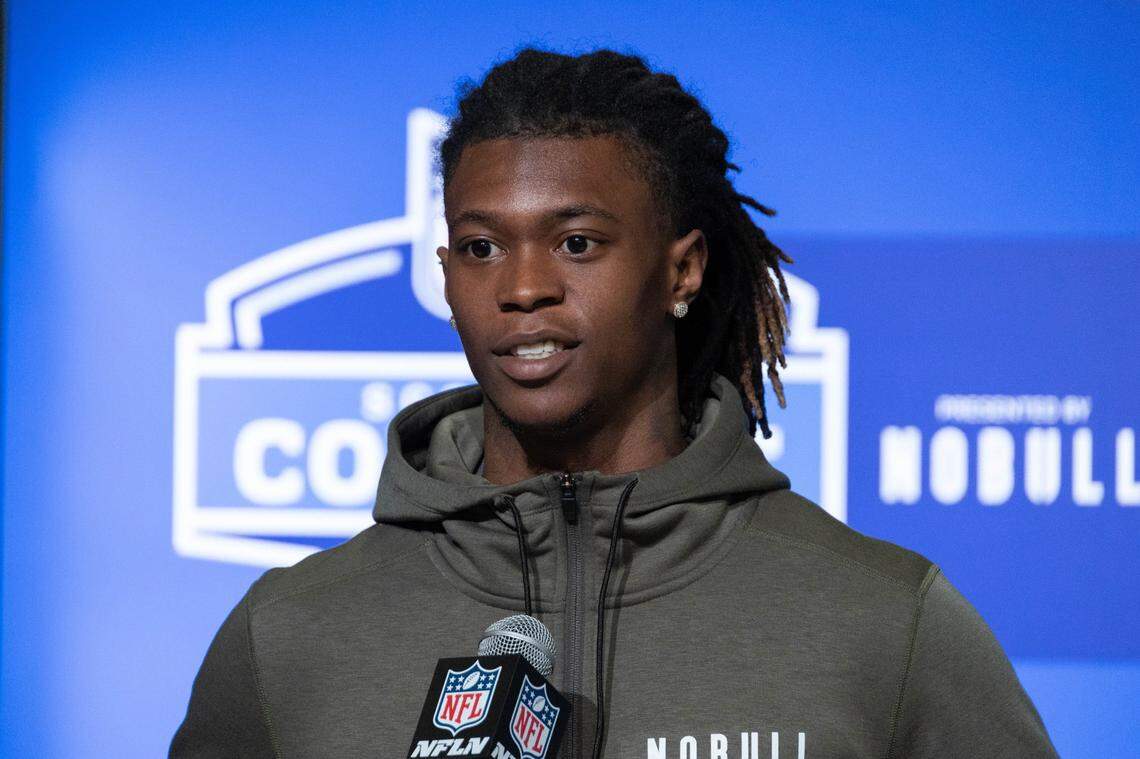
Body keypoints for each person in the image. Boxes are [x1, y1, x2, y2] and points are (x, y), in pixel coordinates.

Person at [171, 48, 1058, 758]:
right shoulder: (288, 637)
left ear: (683, 270)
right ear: (444, 274)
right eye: (481, 247)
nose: (522, 287)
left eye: (577, 242)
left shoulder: (886, 623)